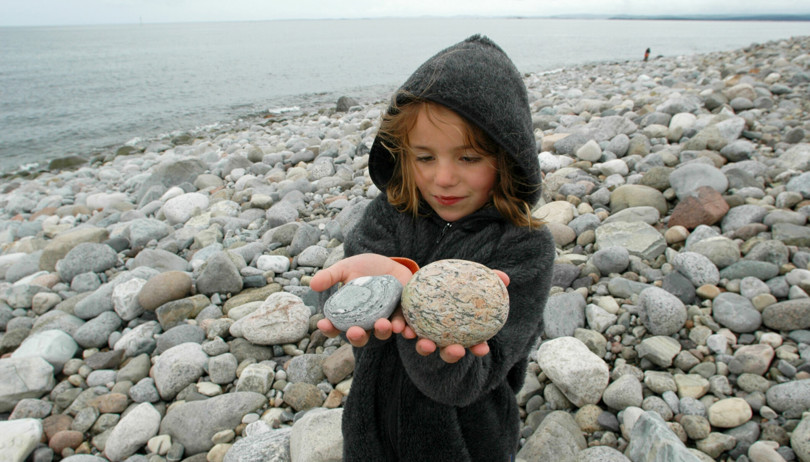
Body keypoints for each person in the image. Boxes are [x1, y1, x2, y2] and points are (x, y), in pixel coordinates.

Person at [310, 35, 555, 461]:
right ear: (403, 155)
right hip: (372, 433)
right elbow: (349, 314)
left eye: (468, 158)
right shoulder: (387, 216)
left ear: (509, 158)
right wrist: (357, 293)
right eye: (425, 158)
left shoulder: (524, 249)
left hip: (466, 445)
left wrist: (428, 321)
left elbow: (467, 381)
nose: (443, 178)